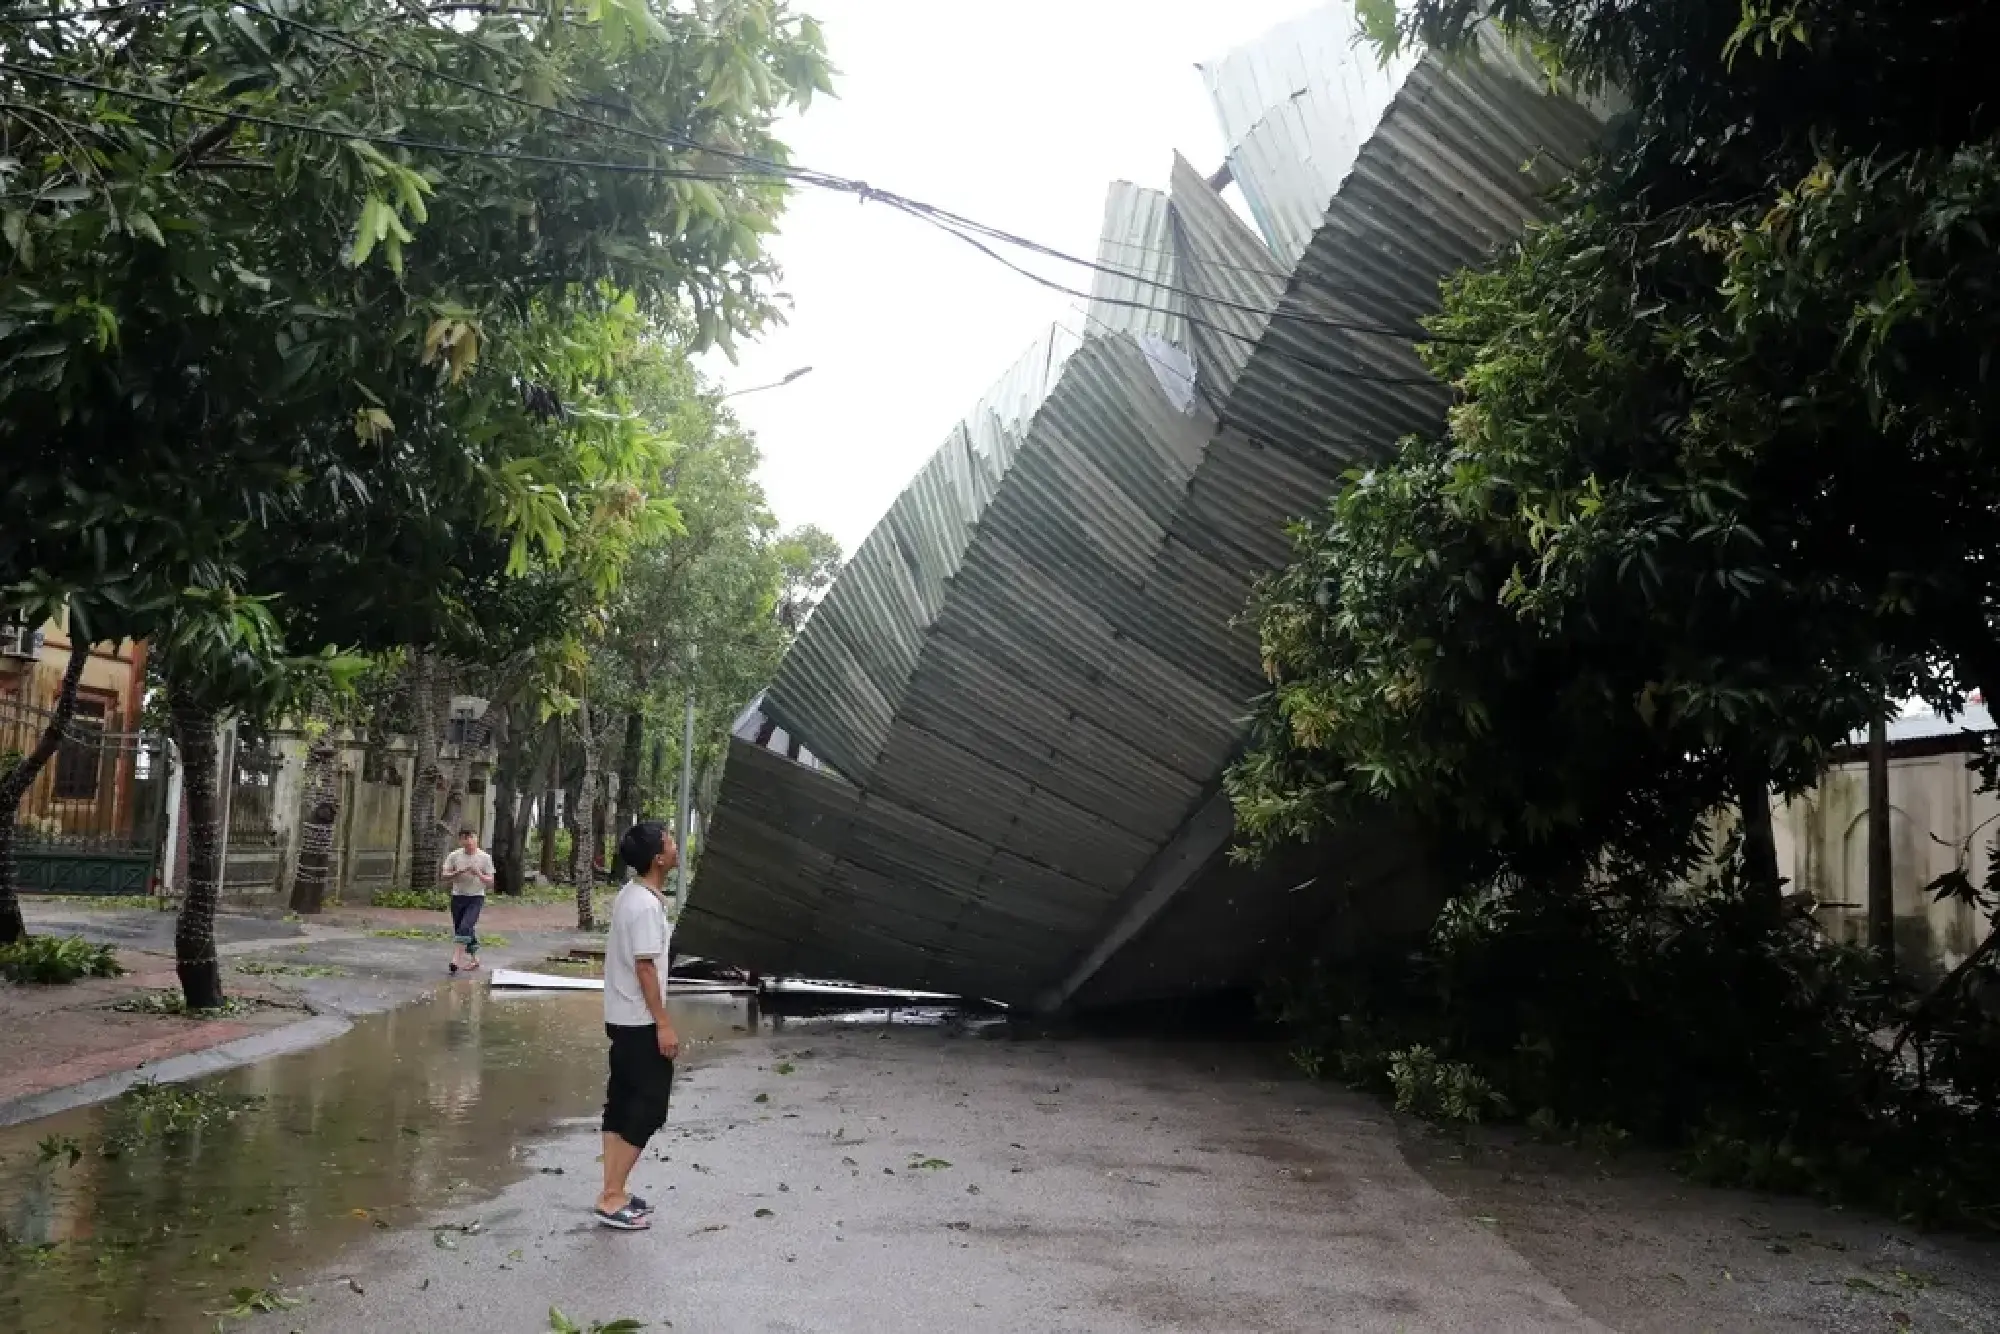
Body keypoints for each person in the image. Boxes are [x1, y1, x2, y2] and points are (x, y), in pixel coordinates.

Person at [595, 820, 681, 1231]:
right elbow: (645, 969)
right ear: (658, 858)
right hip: (640, 1022)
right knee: (647, 1108)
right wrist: (663, 1024)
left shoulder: (634, 895)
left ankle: (612, 1189)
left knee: (622, 1104)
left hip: (622, 1017)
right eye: (670, 841)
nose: (676, 845)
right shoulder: (645, 906)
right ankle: (612, 1197)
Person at [439, 828, 494, 974]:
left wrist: (479, 874)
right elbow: (444, 875)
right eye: (465, 838)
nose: (468, 841)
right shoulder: (454, 856)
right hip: (458, 896)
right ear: (460, 841)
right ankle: (475, 959)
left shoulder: (485, 857)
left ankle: (455, 960)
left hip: (476, 897)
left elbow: (490, 881)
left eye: (471, 837)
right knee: (462, 929)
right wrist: (458, 872)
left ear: (476, 839)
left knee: (465, 926)